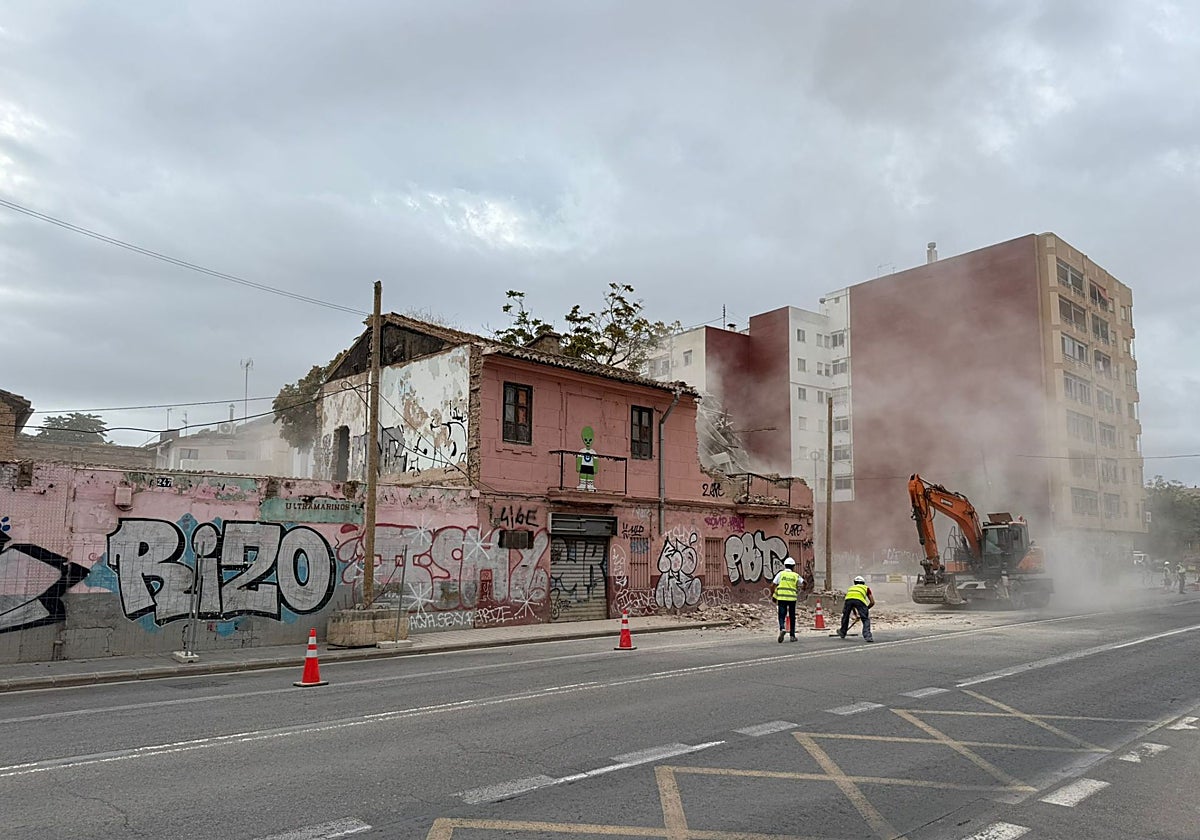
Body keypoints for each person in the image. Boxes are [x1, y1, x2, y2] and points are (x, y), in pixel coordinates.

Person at [770, 557, 803, 643]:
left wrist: (773, 595)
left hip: (781, 598)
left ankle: (782, 628)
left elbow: (772, 585)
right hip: (792, 598)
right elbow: (804, 583)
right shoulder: (795, 575)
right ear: (793, 566)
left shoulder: (781, 574)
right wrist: (802, 589)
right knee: (792, 616)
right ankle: (792, 635)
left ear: (785, 565)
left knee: (781, 615)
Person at [838, 575, 875, 643]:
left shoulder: (851, 588)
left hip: (848, 601)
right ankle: (868, 636)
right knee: (865, 619)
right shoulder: (866, 588)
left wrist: (856, 614)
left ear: (855, 582)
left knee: (845, 616)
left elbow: (852, 604)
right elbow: (872, 602)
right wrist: (865, 610)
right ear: (863, 583)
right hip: (860, 601)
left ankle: (842, 632)